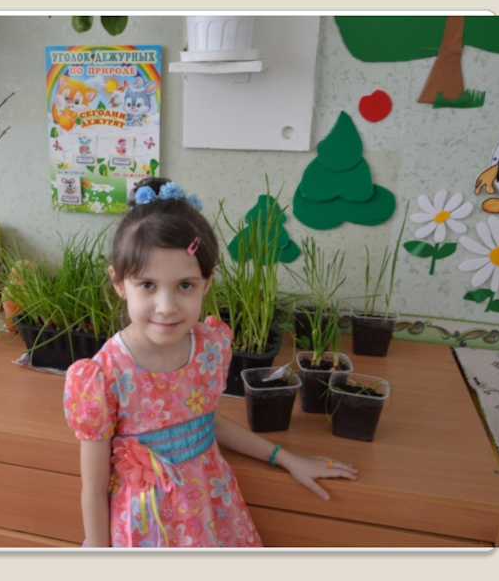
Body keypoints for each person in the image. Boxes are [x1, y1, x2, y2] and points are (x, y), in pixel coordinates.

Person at [63, 178, 358, 548]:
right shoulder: (103, 376)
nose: (167, 307)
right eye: (148, 285)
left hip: (214, 514)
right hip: (147, 530)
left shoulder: (209, 348)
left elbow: (207, 423)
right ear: (120, 283)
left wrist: (285, 458)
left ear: (207, 281)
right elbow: (92, 490)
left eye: (185, 285)